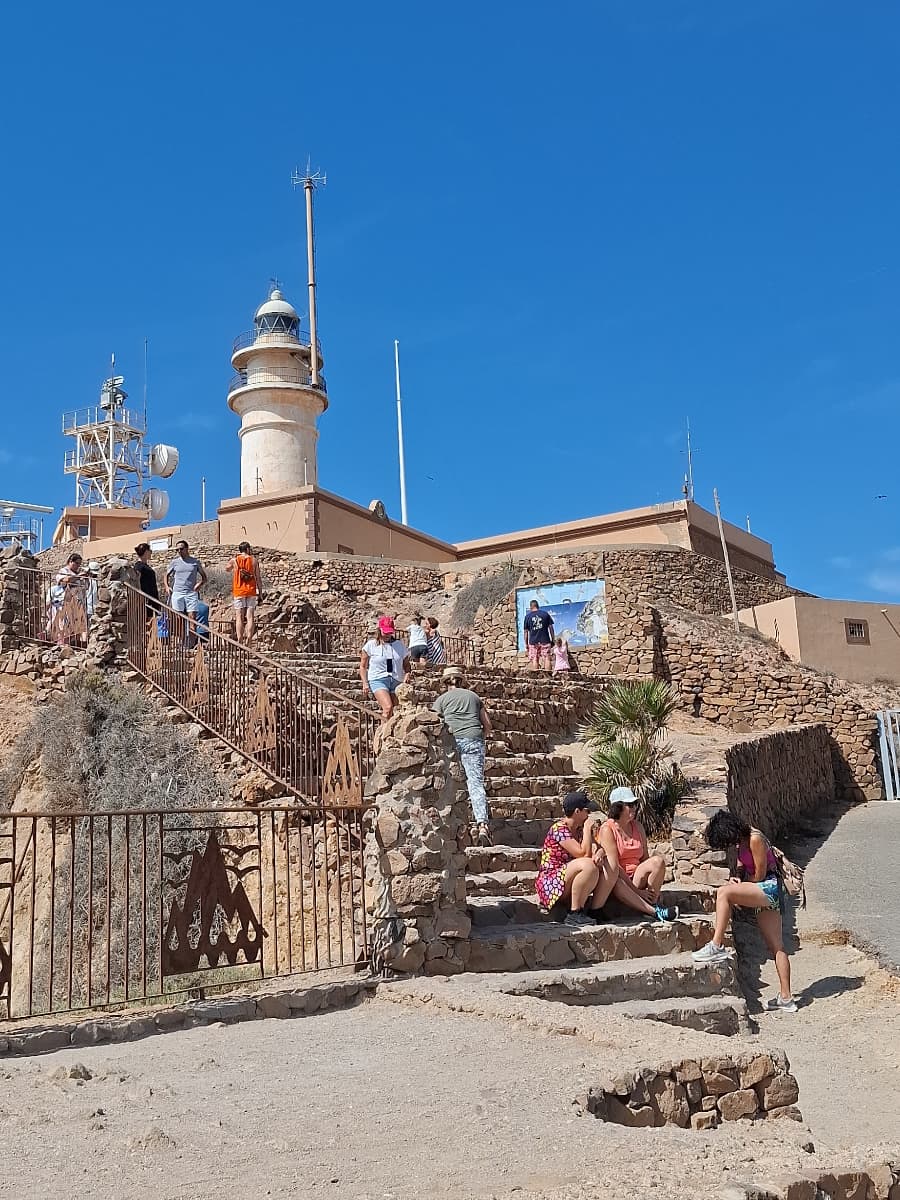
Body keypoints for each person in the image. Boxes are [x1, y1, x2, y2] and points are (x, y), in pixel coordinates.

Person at [692, 811, 796, 1013]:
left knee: (724, 893)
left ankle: (716, 945)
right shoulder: (742, 840)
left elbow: (760, 874)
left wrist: (741, 888)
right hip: (764, 890)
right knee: (776, 946)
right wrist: (738, 877)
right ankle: (786, 998)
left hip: (768, 888)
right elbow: (741, 867)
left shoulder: (755, 838)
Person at [535, 792, 614, 928]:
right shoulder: (559, 829)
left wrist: (600, 851)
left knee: (604, 863)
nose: (589, 815)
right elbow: (583, 854)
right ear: (577, 811)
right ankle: (574, 913)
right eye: (587, 811)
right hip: (551, 884)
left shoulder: (577, 830)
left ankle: (596, 909)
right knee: (589, 865)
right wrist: (587, 830)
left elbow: (596, 848)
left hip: (565, 881)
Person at [432, 666, 493, 844]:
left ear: (445, 682)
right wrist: (480, 736)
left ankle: (449, 826)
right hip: (474, 740)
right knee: (475, 783)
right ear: (462, 681)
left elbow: (433, 723)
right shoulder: (474, 697)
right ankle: (482, 825)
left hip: (452, 743)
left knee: (448, 783)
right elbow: (487, 725)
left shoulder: (441, 700)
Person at [359, 616, 411, 721]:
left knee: (394, 712)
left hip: (396, 679)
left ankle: (388, 734)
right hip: (378, 679)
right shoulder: (371, 645)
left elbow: (406, 664)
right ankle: (382, 736)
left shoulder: (399, 645)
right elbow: (363, 666)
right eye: (385, 632)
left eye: (390, 632)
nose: (387, 635)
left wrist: (407, 674)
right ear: (379, 630)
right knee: (388, 707)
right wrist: (365, 683)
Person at [165, 540, 207, 641]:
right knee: (178, 618)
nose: (179, 551)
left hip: (191, 593)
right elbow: (166, 575)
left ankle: (192, 642)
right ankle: (182, 641)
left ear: (187, 549)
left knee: (192, 617)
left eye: (181, 549)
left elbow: (204, 577)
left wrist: (199, 584)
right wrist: (167, 586)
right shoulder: (174, 562)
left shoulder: (195, 562)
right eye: (177, 549)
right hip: (177, 592)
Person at [226, 541, 263, 645]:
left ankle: (240, 639)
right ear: (247, 549)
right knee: (250, 616)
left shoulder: (235, 560)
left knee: (239, 617)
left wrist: (233, 564)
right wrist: (260, 593)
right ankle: (249, 639)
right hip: (251, 590)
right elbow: (258, 578)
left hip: (238, 591)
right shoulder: (254, 561)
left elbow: (227, 569)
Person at [48, 552, 90, 645]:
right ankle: (62, 644)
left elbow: (86, 587)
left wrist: (85, 578)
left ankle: (78, 644)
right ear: (71, 562)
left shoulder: (78, 573)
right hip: (66, 601)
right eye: (77, 563)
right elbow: (66, 580)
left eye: (80, 564)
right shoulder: (63, 571)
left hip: (78, 601)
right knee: (65, 623)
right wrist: (79, 576)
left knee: (79, 623)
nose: (78, 566)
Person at [523, 599, 554, 671]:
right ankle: (548, 676)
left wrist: (526, 644)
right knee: (547, 657)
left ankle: (536, 677)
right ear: (538, 606)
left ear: (531, 607)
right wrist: (552, 639)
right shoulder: (545, 614)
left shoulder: (527, 617)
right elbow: (551, 628)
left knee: (535, 658)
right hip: (545, 639)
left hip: (533, 641)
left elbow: (525, 632)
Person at [134, 543, 160, 622]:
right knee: (148, 621)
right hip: (146, 597)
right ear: (146, 551)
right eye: (150, 551)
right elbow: (137, 580)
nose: (151, 553)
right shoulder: (139, 566)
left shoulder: (145, 566)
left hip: (152, 597)